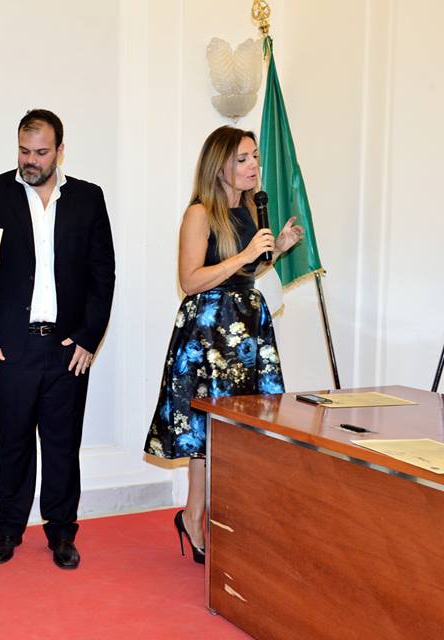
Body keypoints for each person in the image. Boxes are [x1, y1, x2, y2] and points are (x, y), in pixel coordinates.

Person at [0, 109, 116, 569]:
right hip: (10, 346)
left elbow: (102, 274)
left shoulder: (88, 197)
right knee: (13, 443)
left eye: (41, 152)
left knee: (63, 445)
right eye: (24, 151)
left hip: (67, 348)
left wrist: (88, 337)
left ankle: (62, 533)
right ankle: (7, 530)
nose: (31, 160)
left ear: (60, 151)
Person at [143, 126, 304, 563]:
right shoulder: (200, 213)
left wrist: (277, 249)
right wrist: (245, 254)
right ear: (220, 166)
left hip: (247, 327)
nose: (254, 167)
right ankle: (195, 517)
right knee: (206, 432)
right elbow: (190, 279)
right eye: (243, 159)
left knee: (236, 430)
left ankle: (211, 517)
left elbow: (246, 273)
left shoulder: (251, 208)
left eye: (255, 157)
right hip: (209, 331)